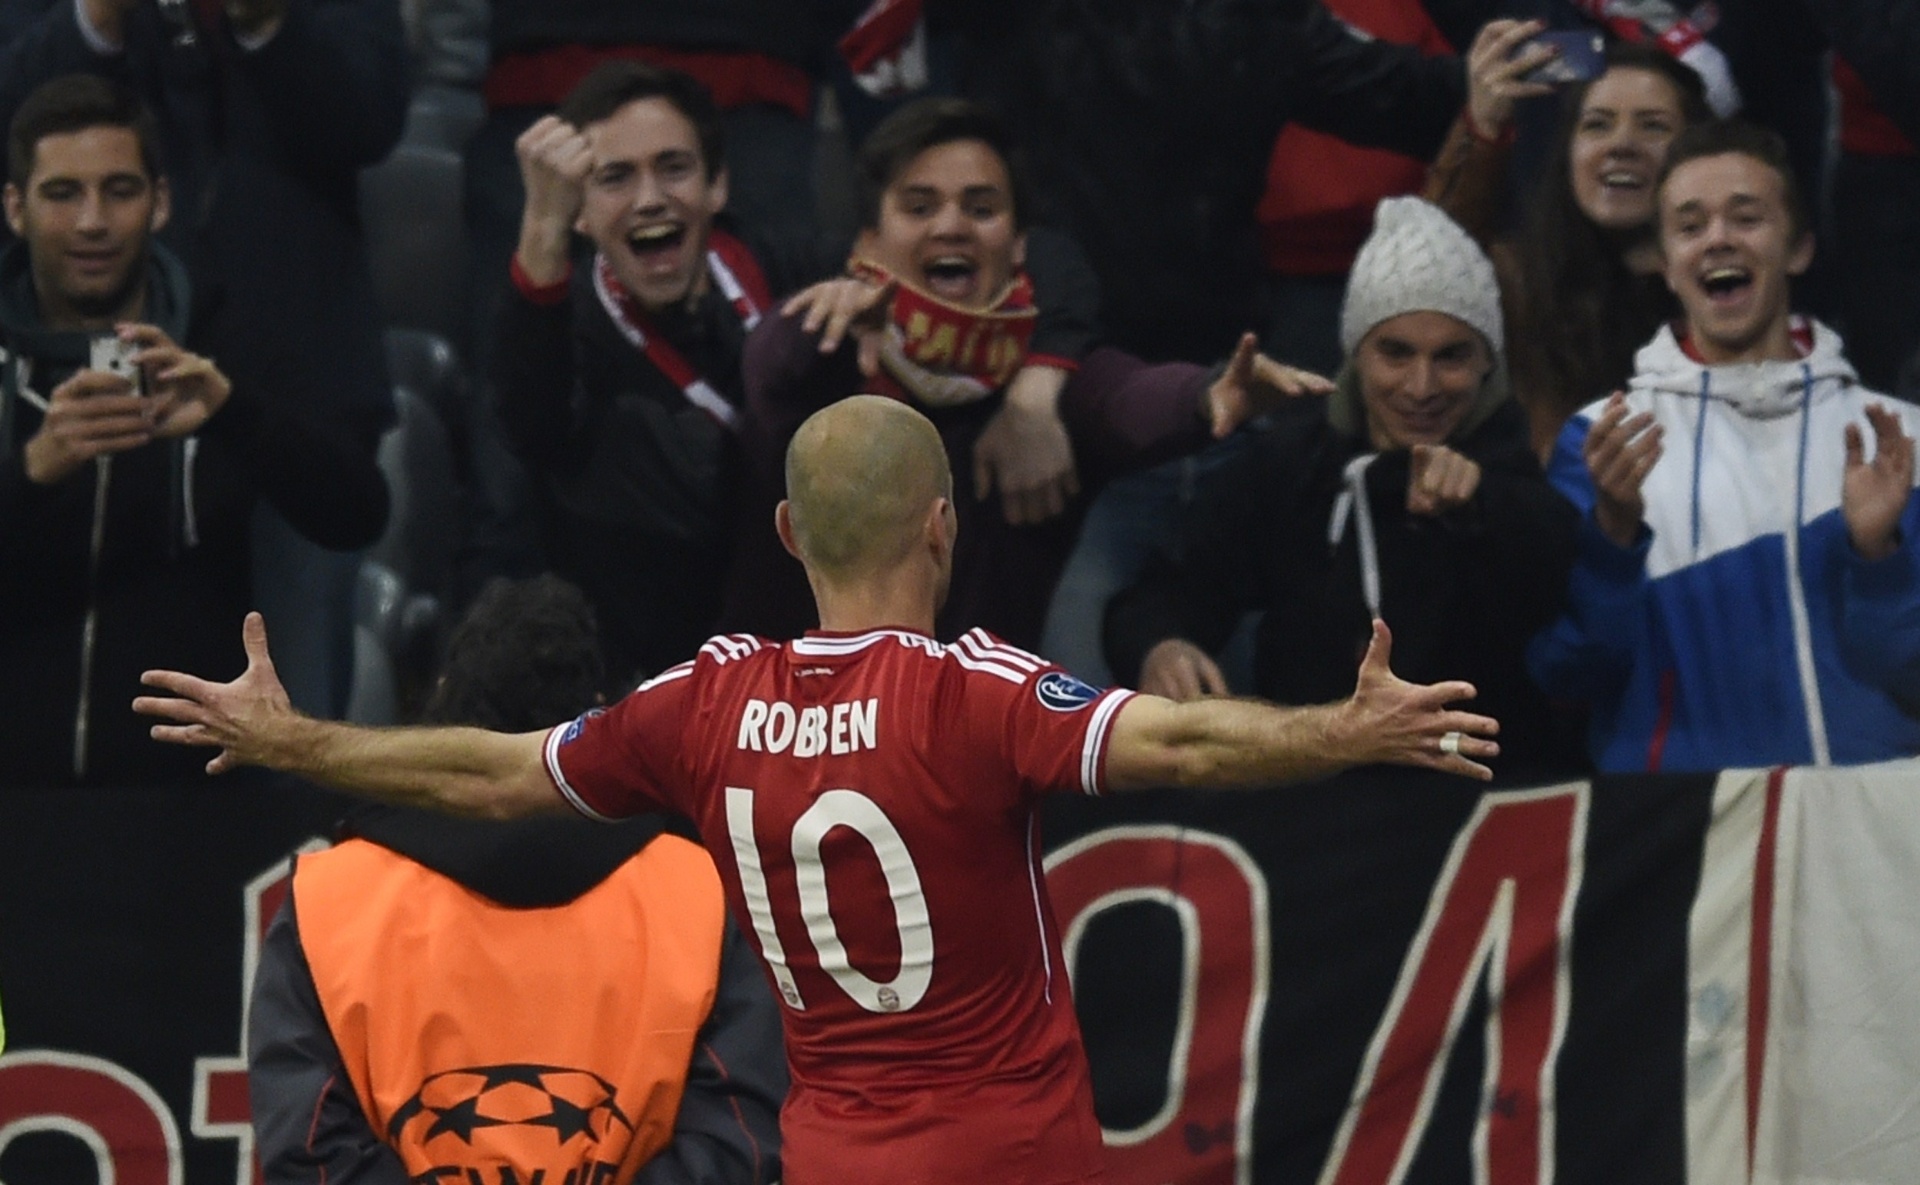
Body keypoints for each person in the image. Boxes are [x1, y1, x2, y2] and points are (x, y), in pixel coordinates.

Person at [136, 393, 1500, 1184]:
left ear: (789, 534)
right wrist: (1341, 729)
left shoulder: (703, 704)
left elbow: (493, 776)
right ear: (944, 525)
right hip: (1017, 1153)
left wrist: (301, 741)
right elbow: (1189, 749)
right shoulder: (978, 691)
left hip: (839, 1158)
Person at [723, 97, 1333, 651]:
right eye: (919, 205)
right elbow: (772, 375)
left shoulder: (1048, 372)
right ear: (870, 238)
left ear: (1018, 246)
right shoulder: (828, 354)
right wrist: (818, 325)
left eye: (981, 207)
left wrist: (1209, 395)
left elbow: (1126, 399)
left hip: (975, 741)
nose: (952, 225)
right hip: (801, 731)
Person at [247, 574, 785, 1184]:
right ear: (605, 712)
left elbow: (309, 1150)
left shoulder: (329, 903)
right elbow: (737, 1138)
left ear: (442, 702)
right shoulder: (704, 895)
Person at [0, 0, 410, 718]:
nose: (90, 214)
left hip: (288, 377)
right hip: (54, 374)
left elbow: (369, 115)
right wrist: (96, 18)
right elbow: (15, 123)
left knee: (292, 753)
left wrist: (266, 21)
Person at [1106, 197, 1585, 785]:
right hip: (1313, 814)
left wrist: (1482, 508)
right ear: (1356, 355)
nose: (1422, 385)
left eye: (1452, 356)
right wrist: (1162, 645)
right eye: (1396, 352)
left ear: (1489, 363)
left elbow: (1563, 571)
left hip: (1484, 811)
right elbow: (1169, 589)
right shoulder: (1292, 463)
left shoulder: (1514, 479)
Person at [1527, 119, 1920, 772]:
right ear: (1664, 261)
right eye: (1690, 224)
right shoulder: (1600, 442)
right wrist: (1614, 543)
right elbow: (1568, 679)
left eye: (1747, 217)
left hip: (1875, 829)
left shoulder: (1901, 439)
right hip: (1685, 836)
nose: (1718, 239)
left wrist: (1878, 559)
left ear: (1798, 249)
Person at [1425, 35, 1712, 459]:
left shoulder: (1727, 282)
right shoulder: (1516, 281)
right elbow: (1424, 279)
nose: (1622, 144)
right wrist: (1482, 132)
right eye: (1597, 124)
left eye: (1653, 125)